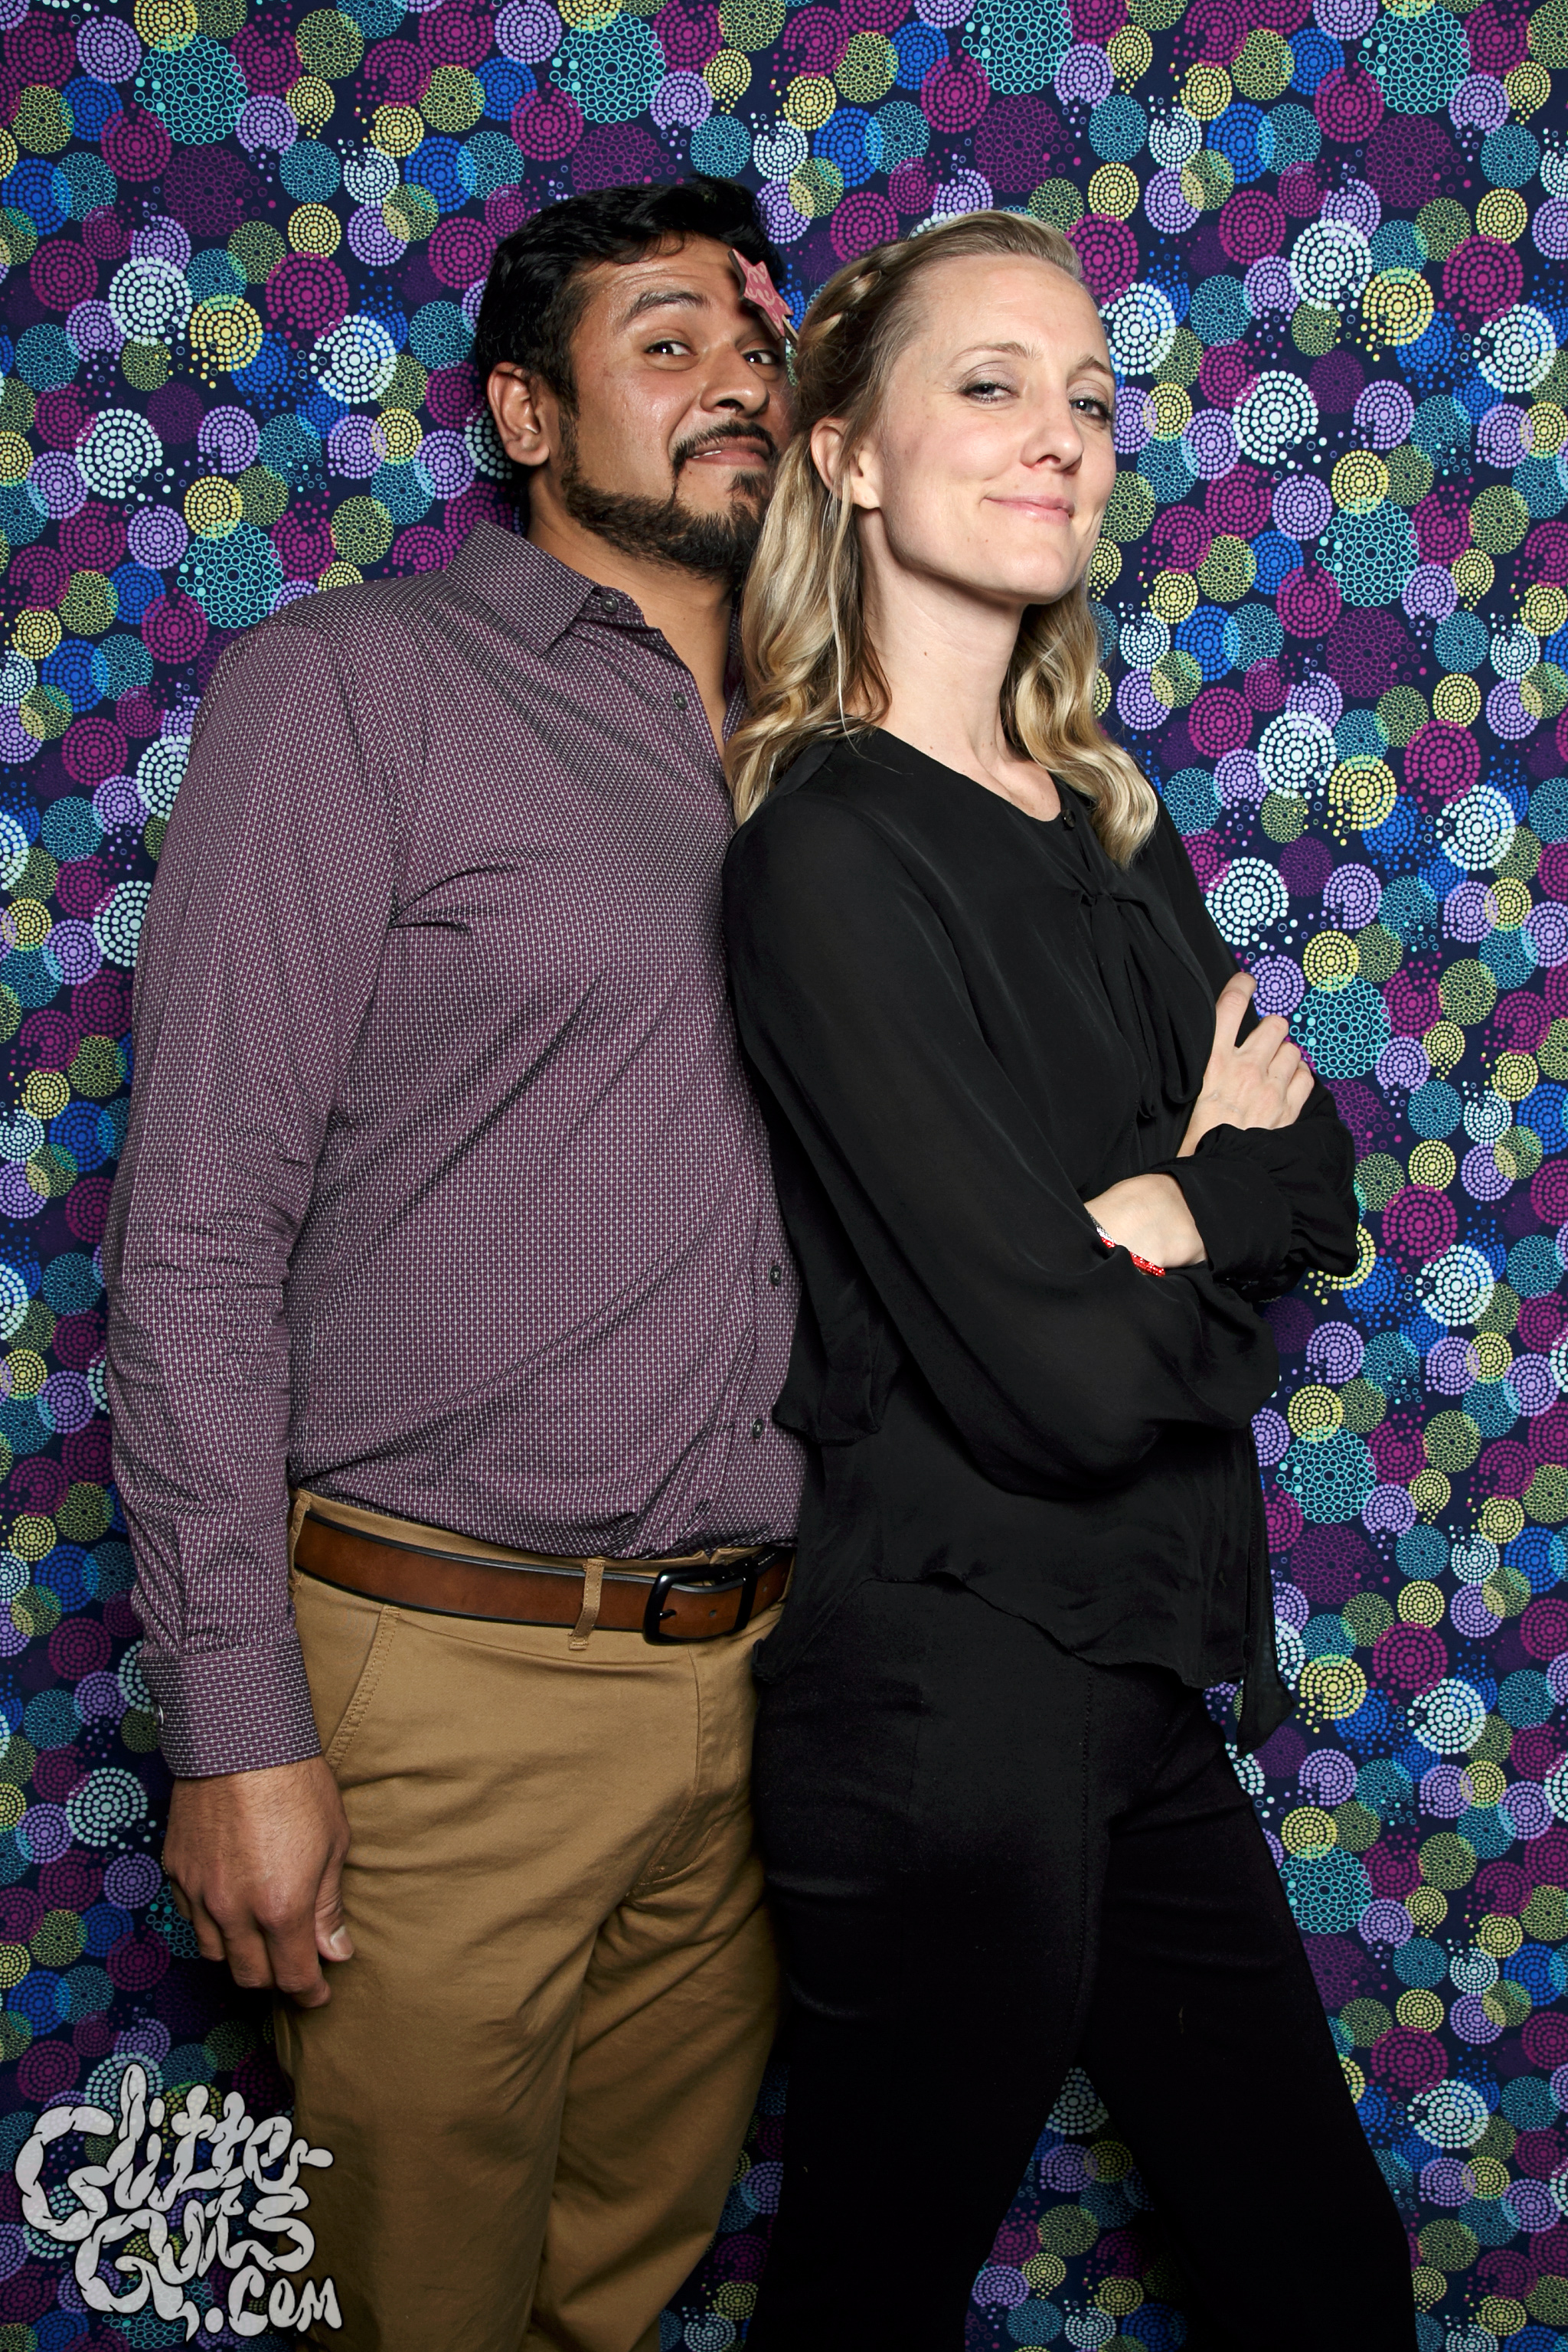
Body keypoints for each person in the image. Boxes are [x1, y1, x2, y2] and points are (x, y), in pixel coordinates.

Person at [103, 176, 802, 2352]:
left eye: (762, 346)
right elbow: (200, 1222)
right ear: (523, 412)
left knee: (620, 2297)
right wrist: (237, 1728)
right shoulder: (359, 689)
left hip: (770, 1692)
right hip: (449, 1681)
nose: (737, 384)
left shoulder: (844, 754)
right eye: (668, 342)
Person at [720, 211, 1418, 2350]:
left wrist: (1171, 1206)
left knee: (1327, 2283)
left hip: (1133, 1676)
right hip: (949, 1701)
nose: (1065, 440)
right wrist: (1196, 1198)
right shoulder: (825, 850)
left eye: (1094, 402)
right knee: (871, 2305)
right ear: (848, 454)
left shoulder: (1106, 821)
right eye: (992, 386)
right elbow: (1067, 1388)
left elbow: (1319, 1176)